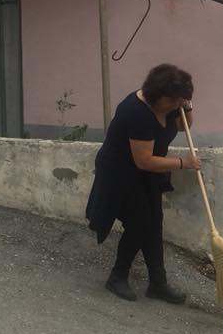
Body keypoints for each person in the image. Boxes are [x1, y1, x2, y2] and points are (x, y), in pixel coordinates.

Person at [86, 63, 201, 304]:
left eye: (179, 101)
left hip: (147, 174)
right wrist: (183, 162)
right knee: (140, 224)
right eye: (173, 101)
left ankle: (158, 283)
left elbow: (183, 126)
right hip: (121, 173)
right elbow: (144, 160)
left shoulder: (170, 105)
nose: (175, 106)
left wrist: (187, 105)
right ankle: (117, 277)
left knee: (154, 223)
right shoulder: (136, 112)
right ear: (157, 95)